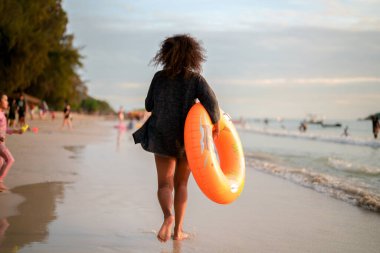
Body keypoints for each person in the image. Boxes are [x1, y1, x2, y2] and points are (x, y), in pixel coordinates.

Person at [133, 34, 220, 242]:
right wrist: (215, 125)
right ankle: (178, 231)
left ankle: (168, 216)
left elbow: (148, 105)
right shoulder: (196, 79)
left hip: (161, 135)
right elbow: (214, 108)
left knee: (164, 185)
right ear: (193, 56)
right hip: (186, 139)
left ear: (166, 54)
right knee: (181, 184)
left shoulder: (159, 77)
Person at [0, 92, 24, 192]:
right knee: (10, 159)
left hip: (2, 142)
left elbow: (4, 129)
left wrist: (17, 131)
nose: (7, 102)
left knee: (1, 162)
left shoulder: (2, 114)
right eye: (5, 100)